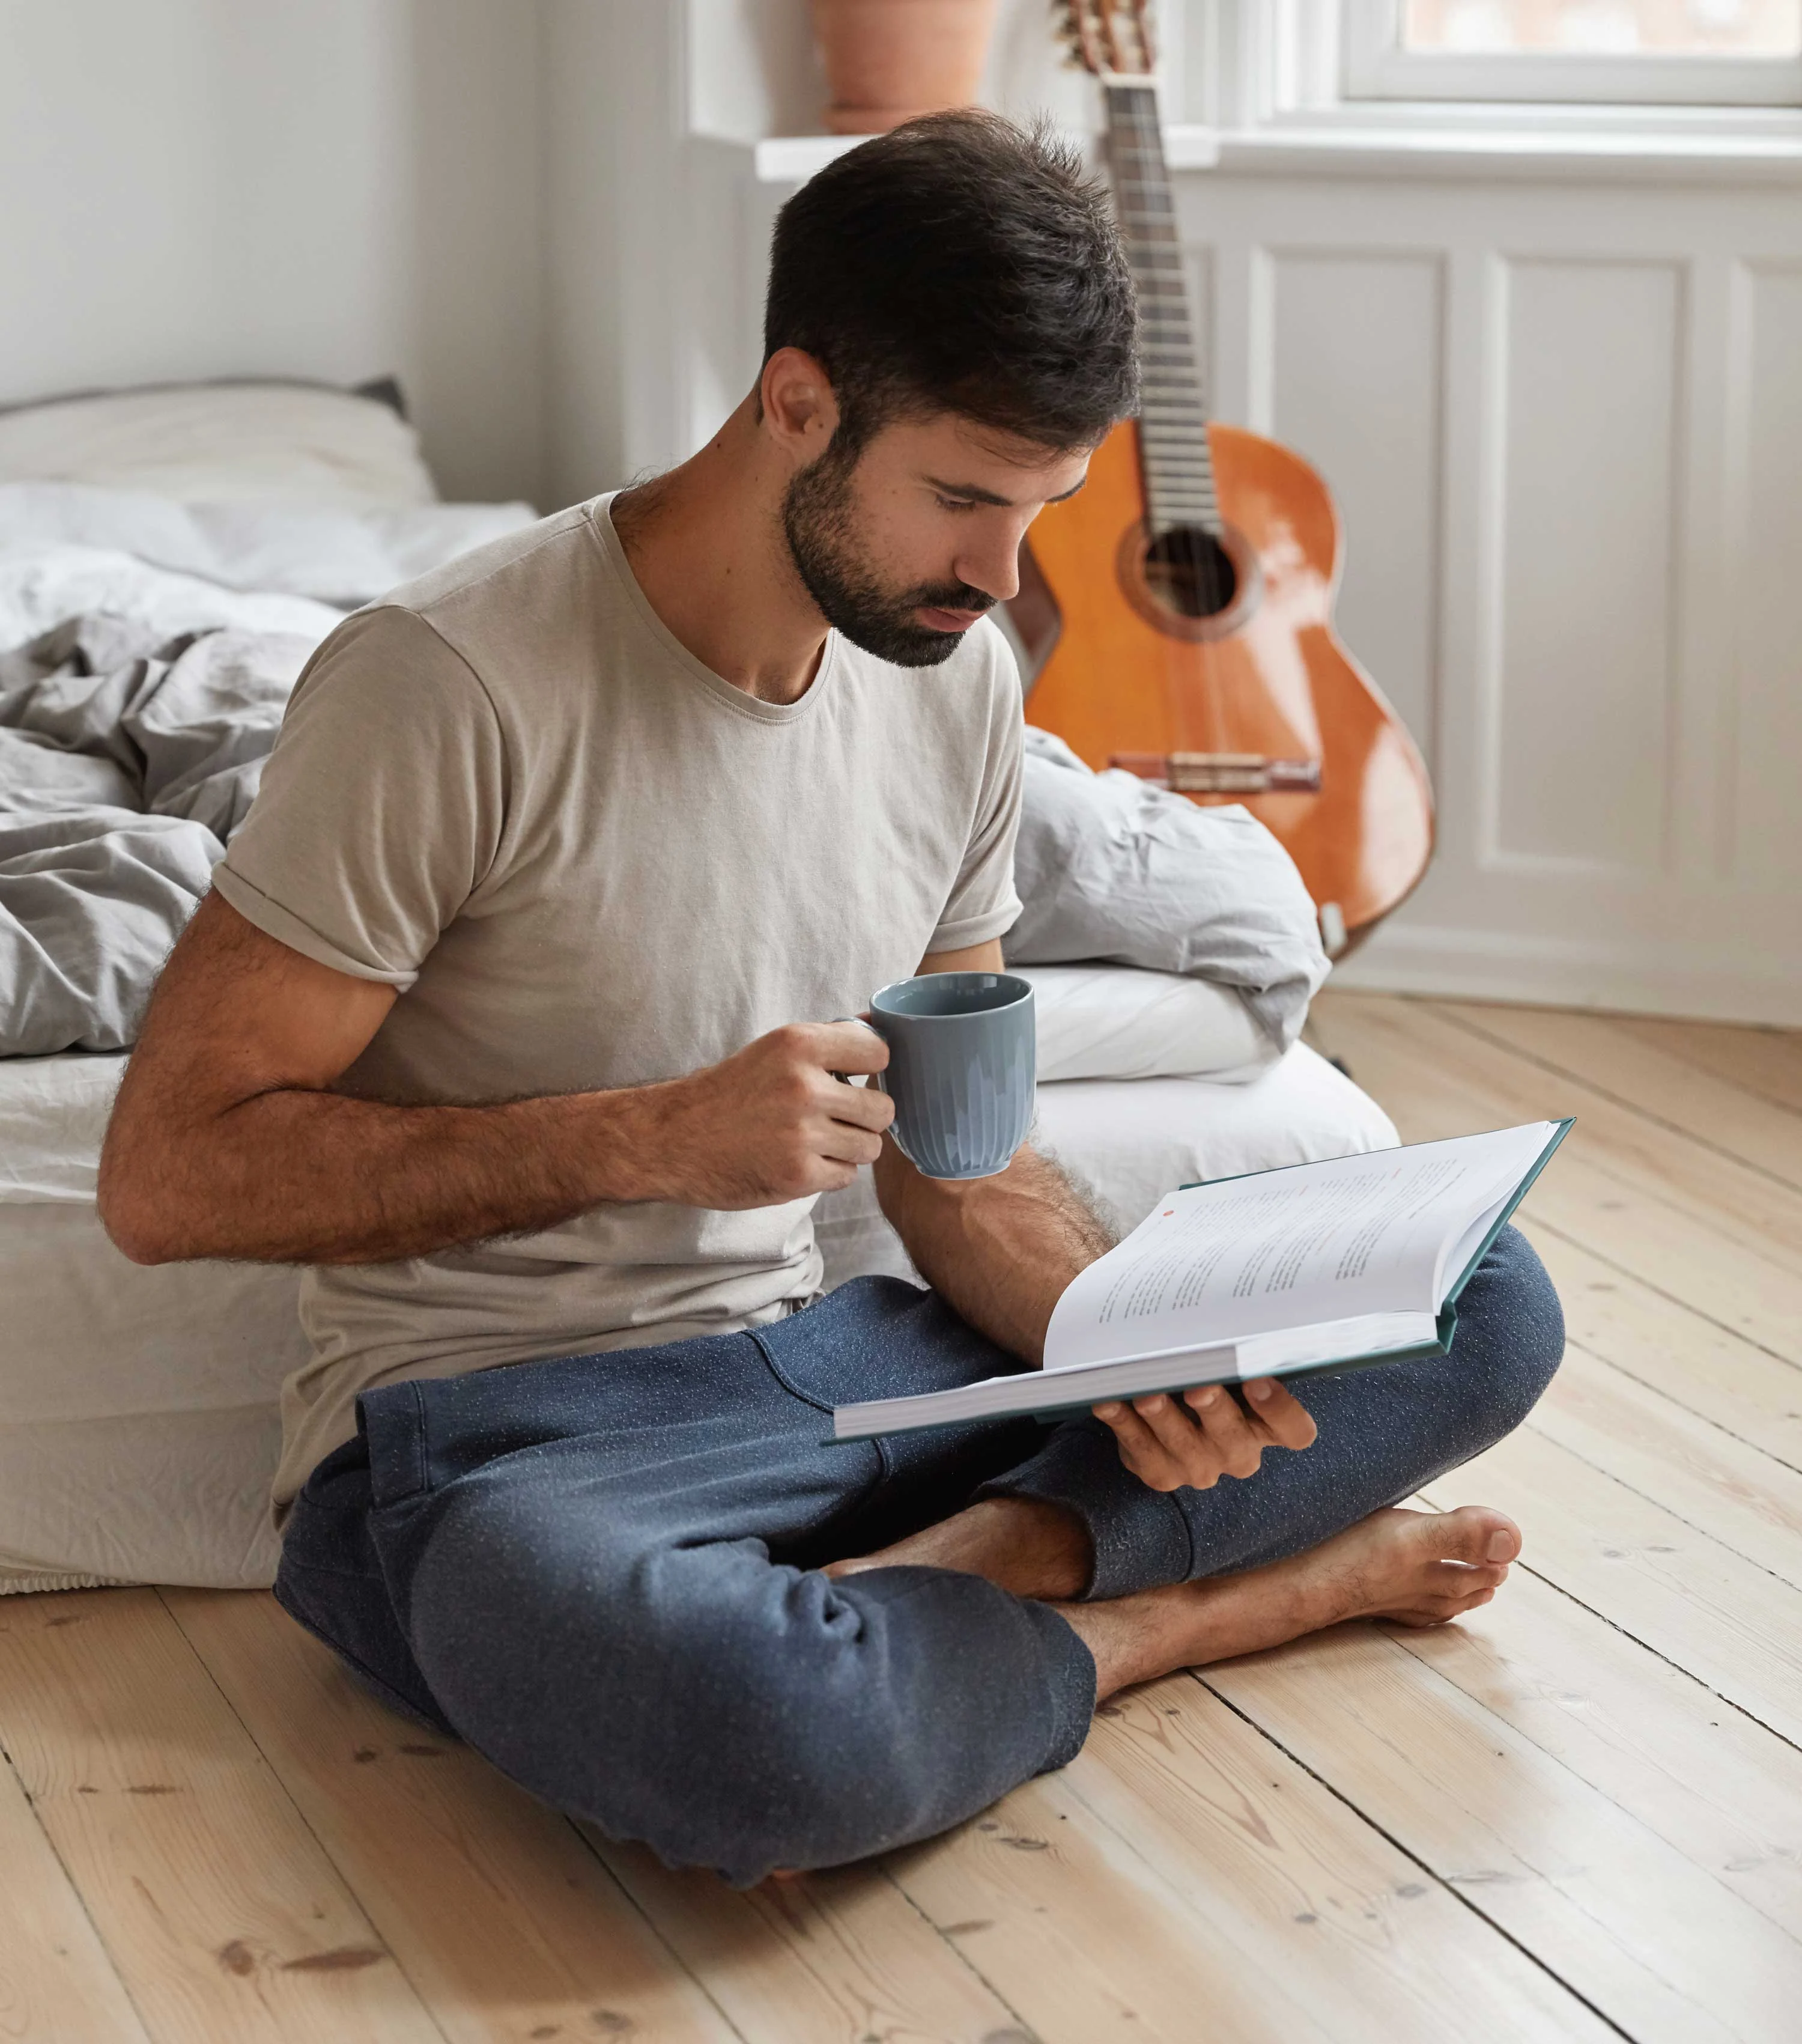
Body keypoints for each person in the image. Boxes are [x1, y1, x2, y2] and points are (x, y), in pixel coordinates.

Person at [97, 112, 1562, 1887]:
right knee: (759, 1736)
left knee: (1482, 1293)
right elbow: (171, 1173)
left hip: (844, 1380)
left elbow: (964, 1161)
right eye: (961, 499)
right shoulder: (444, 685)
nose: (1000, 579)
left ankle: (975, 1579)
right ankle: (1160, 1618)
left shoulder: (948, 691)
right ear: (796, 401)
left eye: (1038, 512)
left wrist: (1116, 1336)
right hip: (497, 1437)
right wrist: (654, 1140)